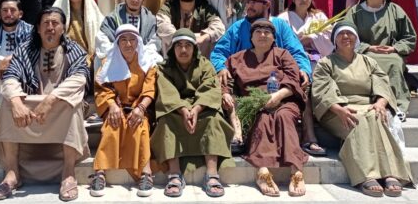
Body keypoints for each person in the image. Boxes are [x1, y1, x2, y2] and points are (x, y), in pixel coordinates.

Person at [0, 7, 90, 201]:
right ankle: (12, 173)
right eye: (46, 24)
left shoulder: (74, 50)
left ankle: (68, 173)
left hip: (58, 107)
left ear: (63, 28)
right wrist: (16, 103)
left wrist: (50, 100)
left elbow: (80, 79)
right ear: (38, 29)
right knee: (8, 105)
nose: (50, 27)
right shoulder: (25, 49)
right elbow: (9, 77)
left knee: (71, 105)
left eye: (55, 23)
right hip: (31, 110)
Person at [311, 21, 412, 197]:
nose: (345, 37)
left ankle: (391, 173)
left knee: (375, 116)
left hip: (368, 106)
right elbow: (321, 90)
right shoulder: (326, 63)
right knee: (361, 118)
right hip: (337, 110)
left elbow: (382, 83)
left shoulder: (368, 61)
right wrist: (339, 109)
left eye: (349, 33)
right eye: (341, 34)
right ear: (334, 39)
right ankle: (367, 175)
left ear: (356, 38)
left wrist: (380, 103)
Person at [224, 19, 308, 197]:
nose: (262, 35)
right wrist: (226, 95)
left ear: (273, 38)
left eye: (267, 32)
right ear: (251, 37)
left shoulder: (283, 54)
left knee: (284, 117)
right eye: (258, 32)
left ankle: (296, 172)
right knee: (261, 119)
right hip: (252, 104)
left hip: (284, 100)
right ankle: (262, 172)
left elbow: (293, 79)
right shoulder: (236, 59)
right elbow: (227, 84)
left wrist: (277, 96)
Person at [151, 28, 234, 198]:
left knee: (214, 119)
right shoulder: (164, 67)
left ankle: (211, 175)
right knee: (166, 121)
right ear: (172, 48)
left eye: (187, 45)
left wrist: (196, 109)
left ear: (194, 48)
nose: (183, 50)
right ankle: (174, 174)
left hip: (201, 107)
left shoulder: (205, 65)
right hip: (175, 108)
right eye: (179, 45)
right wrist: (183, 110)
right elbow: (166, 92)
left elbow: (211, 89)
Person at [90, 25, 157, 198]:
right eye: (124, 40)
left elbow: (150, 90)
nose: (128, 44)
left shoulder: (147, 63)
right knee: (111, 126)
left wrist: (141, 109)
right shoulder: (107, 63)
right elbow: (101, 89)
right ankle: (100, 173)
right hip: (116, 107)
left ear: (138, 42)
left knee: (140, 126)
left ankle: (145, 173)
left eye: (132, 39)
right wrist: (111, 105)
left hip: (139, 107)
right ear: (117, 43)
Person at [344, 0, 416, 114]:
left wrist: (394, 48)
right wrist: (368, 47)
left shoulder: (395, 10)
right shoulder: (354, 12)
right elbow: (346, 38)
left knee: (394, 63)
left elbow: (409, 37)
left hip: (391, 54)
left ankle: (397, 106)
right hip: (364, 54)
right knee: (367, 64)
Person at [276, 0, 331, 156]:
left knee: (321, 78)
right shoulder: (283, 17)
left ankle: (320, 116)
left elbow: (328, 39)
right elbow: (280, 41)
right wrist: (297, 43)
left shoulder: (319, 16)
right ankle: (308, 133)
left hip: (316, 58)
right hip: (292, 60)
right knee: (302, 80)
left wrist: (311, 38)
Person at [156, 0, 225, 57]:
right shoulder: (169, 7)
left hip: (198, 52)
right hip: (174, 52)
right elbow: (162, 24)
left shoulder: (205, 9)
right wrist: (182, 39)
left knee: (211, 37)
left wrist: (204, 37)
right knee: (164, 36)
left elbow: (219, 27)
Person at [95, 0, 162, 65]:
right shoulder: (113, 17)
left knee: (158, 62)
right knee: (98, 61)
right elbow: (102, 38)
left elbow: (154, 42)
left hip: (142, 56)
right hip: (117, 55)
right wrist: (120, 53)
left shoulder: (150, 19)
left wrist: (138, 54)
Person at [53, 0, 104, 66]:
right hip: (66, 56)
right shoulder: (59, 11)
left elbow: (102, 33)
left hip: (89, 57)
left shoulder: (93, 13)